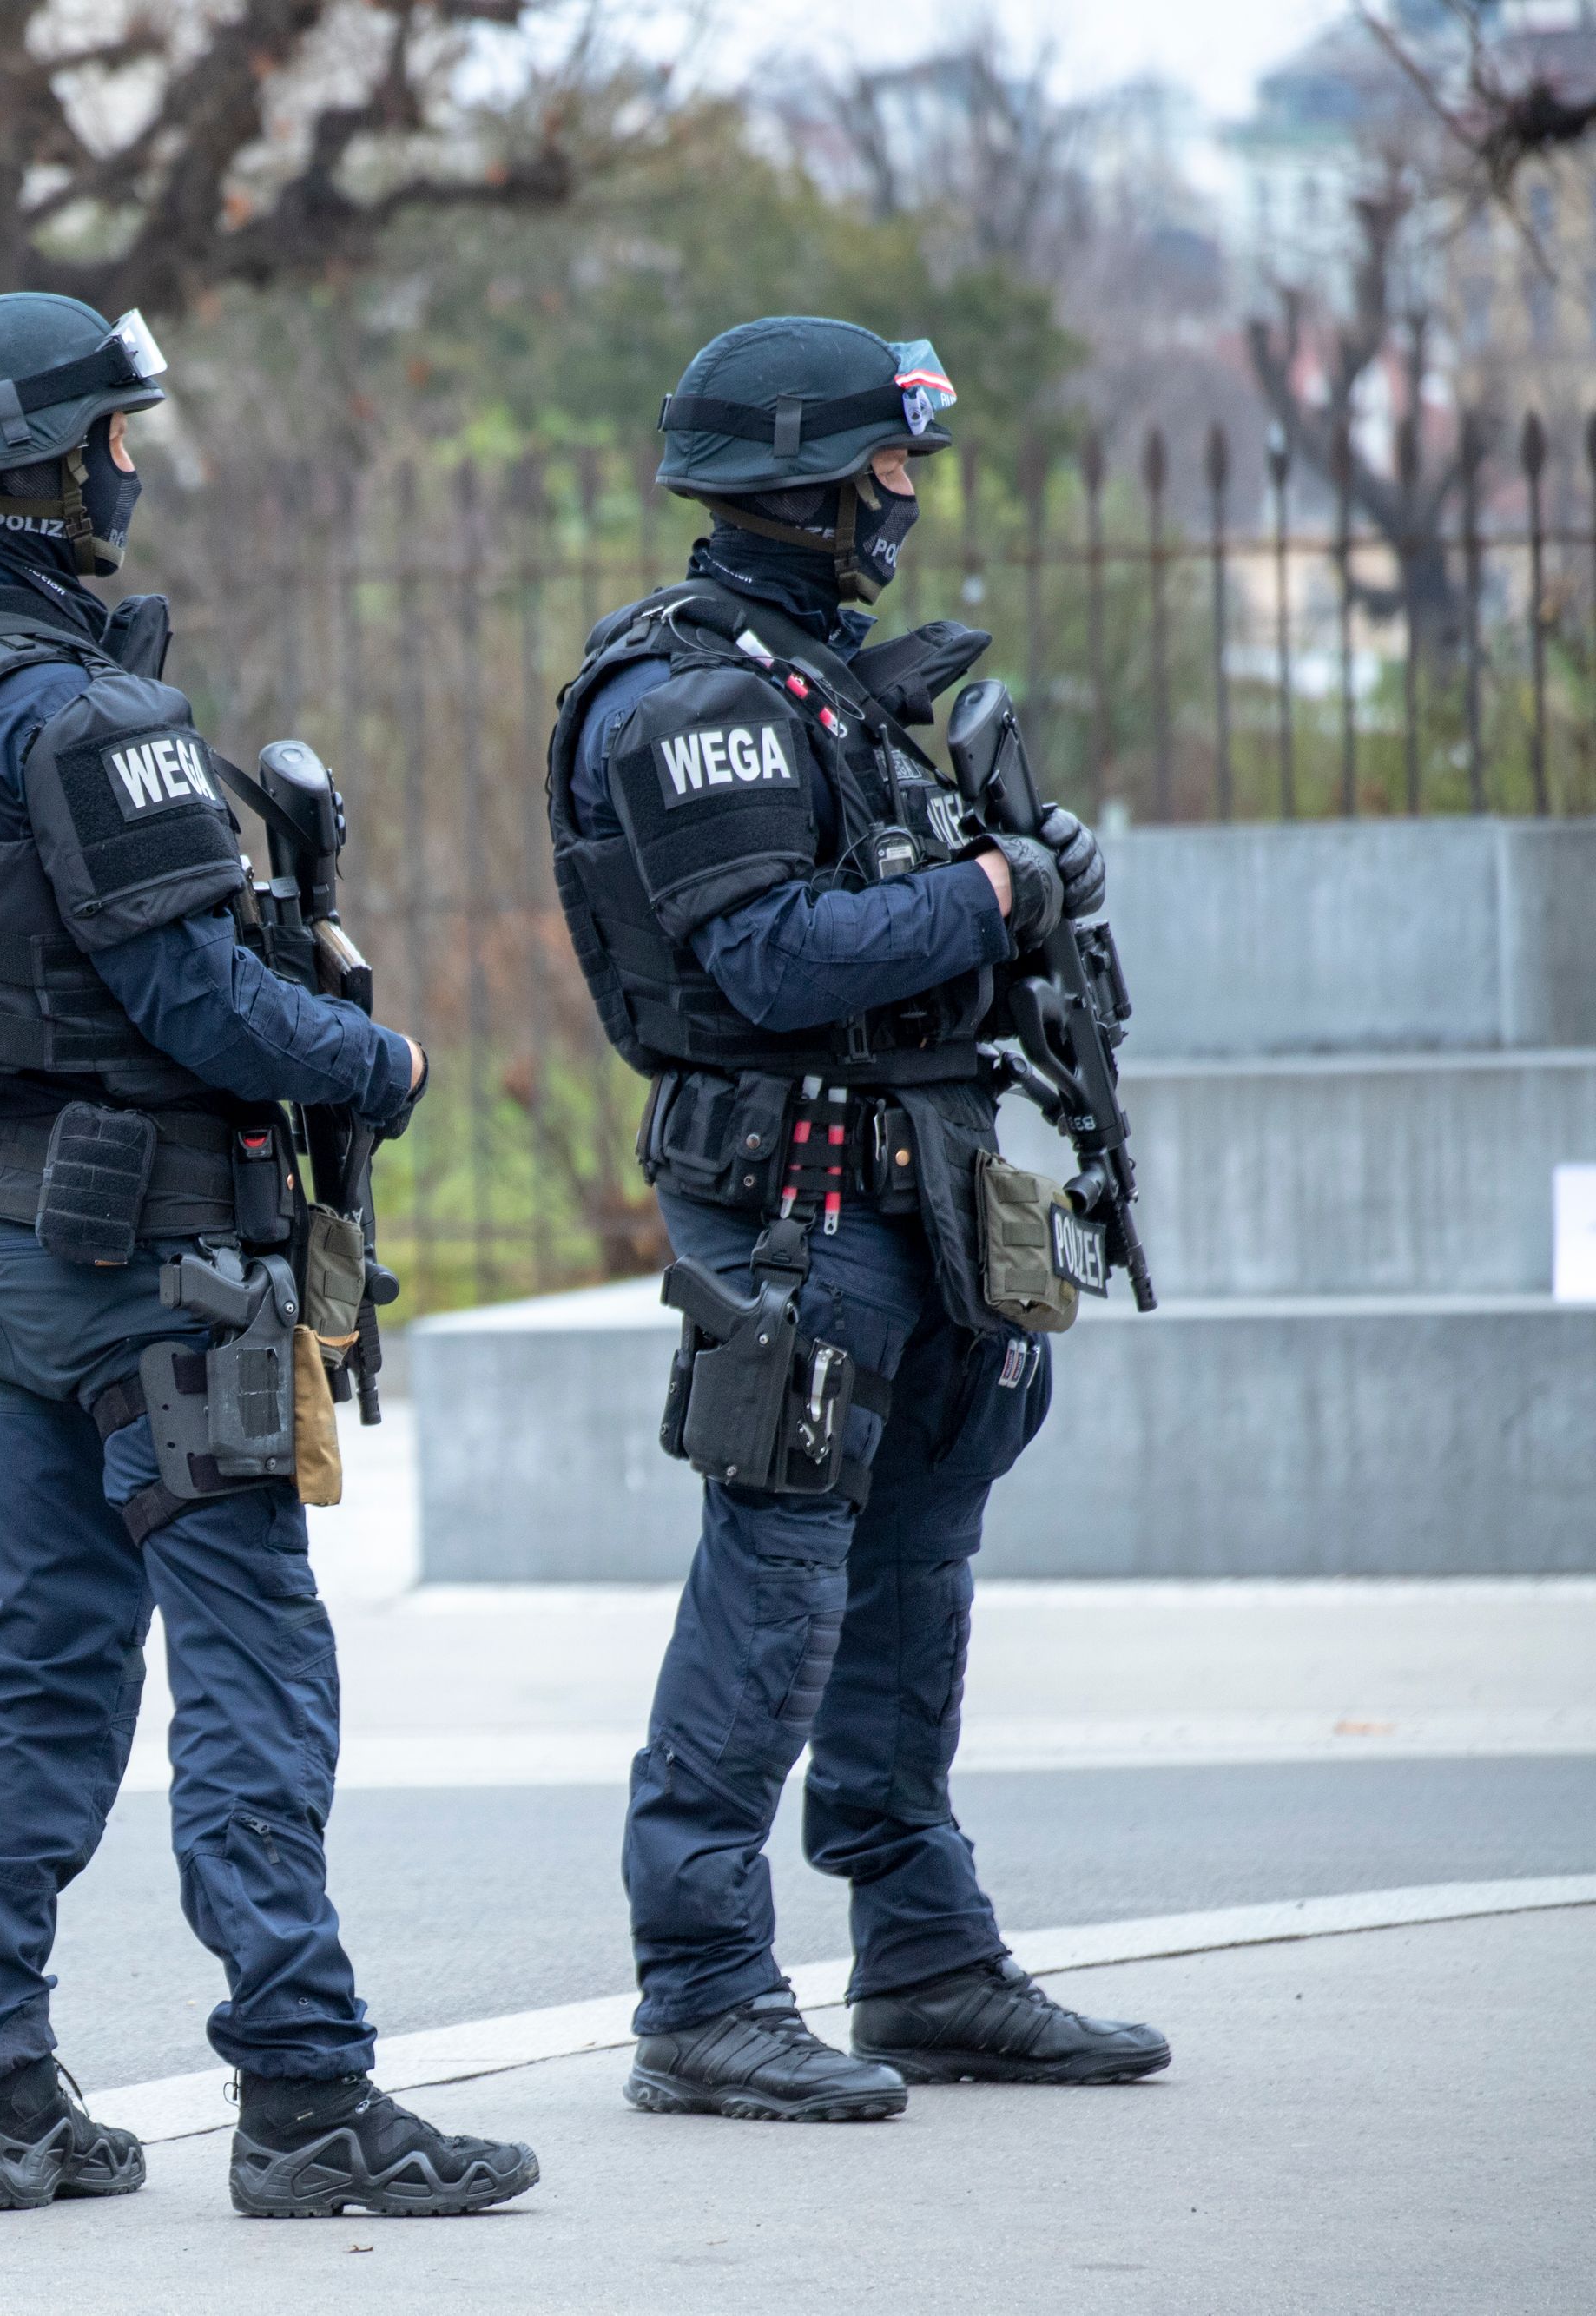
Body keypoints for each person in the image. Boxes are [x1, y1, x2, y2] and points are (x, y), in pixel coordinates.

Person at [0, 291, 538, 2219]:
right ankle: (303, 2092)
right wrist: (377, 1054)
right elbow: (196, 994)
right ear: (54, 470)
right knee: (248, 1662)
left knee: (43, 1659)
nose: (131, 461)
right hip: (162, 1270)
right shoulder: (85, 713)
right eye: (112, 435)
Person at [546, 315, 1172, 2121]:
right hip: (789, 1197)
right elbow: (771, 953)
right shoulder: (693, 699)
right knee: (778, 1573)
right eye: (882, 467)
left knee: (913, 1564)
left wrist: (1020, 889)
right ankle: (702, 1987)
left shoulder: (827, 682)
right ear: (807, 481)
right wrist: (993, 887)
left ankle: (924, 1957)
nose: (903, 498)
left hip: (913, 1184)